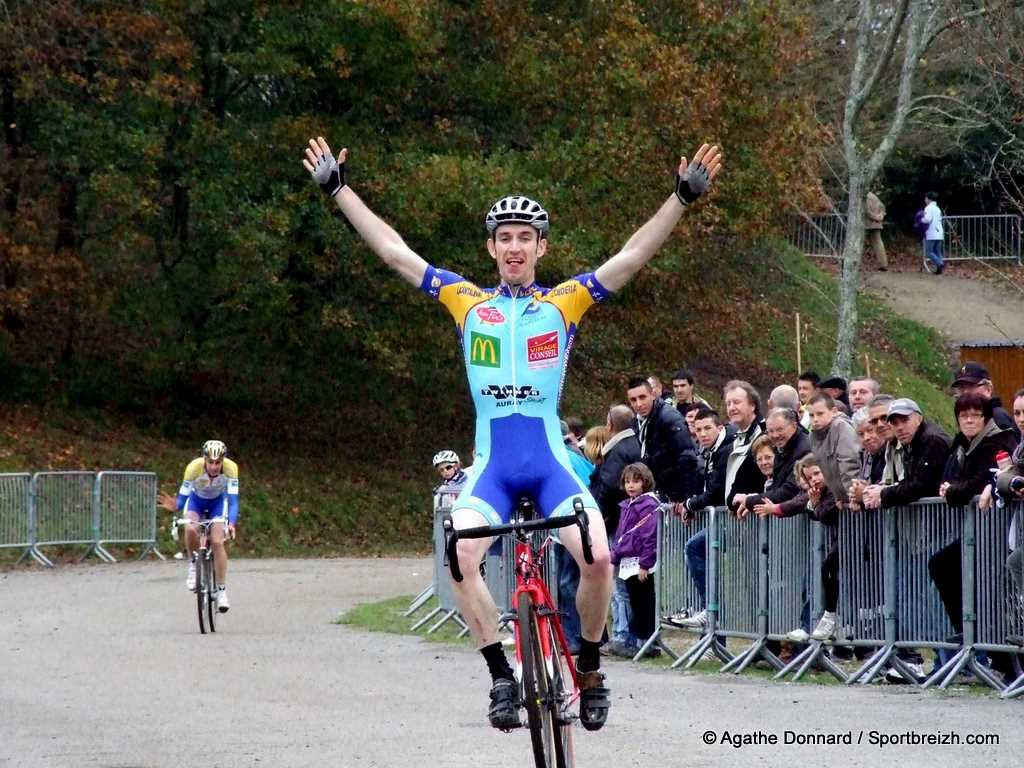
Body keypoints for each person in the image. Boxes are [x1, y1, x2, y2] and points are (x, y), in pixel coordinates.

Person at [303, 134, 722, 731]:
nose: (515, 246)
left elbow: (629, 258)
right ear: (492, 248)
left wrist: (680, 198)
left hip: (551, 465)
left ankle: (592, 665)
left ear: (541, 247)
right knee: (460, 555)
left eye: (526, 237)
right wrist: (340, 191)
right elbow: (396, 253)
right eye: (505, 237)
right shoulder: (466, 301)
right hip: (492, 469)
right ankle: (501, 676)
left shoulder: (566, 302)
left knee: (600, 559)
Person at [666, 406, 735, 628]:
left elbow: (715, 491)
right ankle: (712, 635)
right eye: (698, 430)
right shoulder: (708, 450)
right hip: (716, 518)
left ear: (719, 427)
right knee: (699, 553)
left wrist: (689, 504)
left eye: (707, 428)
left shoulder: (726, 449)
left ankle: (710, 612)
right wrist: (692, 506)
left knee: (693, 547)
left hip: (732, 520)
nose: (702, 434)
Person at [158, 439, 239, 613]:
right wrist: (175, 505)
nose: (214, 467)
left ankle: (221, 590)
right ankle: (194, 564)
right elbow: (183, 498)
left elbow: (233, 502)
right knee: (190, 528)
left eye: (218, 463)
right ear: (204, 460)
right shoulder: (193, 468)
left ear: (223, 461)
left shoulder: (231, 469)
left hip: (218, 504)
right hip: (196, 502)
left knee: (217, 542)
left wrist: (231, 523)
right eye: (210, 462)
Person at [609, 463, 661, 658]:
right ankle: (636, 640)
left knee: (643, 603)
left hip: (639, 563)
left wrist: (645, 564)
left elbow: (649, 535)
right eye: (627, 481)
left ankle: (646, 642)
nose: (630, 485)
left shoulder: (647, 505)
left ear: (645, 482)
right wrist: (615, 557)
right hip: (626, 561)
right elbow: (622, 535)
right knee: (633, 601)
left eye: (636, 481)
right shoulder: (628, 505)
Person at [627, 376, 701, 504]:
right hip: (658, 490)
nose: (639, 404)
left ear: (653, 395)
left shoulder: (669, 418)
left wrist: (684, 498)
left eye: (642, 397)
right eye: (633, 400)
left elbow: (686, 457)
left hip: (678, 494)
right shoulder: (637, 422)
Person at [951, 361, 1015, 430]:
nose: (966, 392)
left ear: (988, 389)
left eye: (971, 386)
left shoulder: (997, 419)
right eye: (961, 387)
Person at [922, 191, 945, 274]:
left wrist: (921, 220)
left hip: (931, 233)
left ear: (929, 199)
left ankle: (940, 264)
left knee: (929, 252)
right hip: (939, 233)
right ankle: (940, 269)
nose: (925, 200)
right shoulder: (937, 208)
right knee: (937, 251)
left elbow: (927, 219)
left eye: (926, 198)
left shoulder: (928, 208)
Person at [865, 191, 888, 271]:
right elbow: (882, 207)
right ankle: (883, 264)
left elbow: (866, 211)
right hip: (877, 224)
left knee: (859, 243)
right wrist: (881, 215)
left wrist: (875, 217)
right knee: (878, 243)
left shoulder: (864, 196)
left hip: (867, 224)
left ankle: (854, 263)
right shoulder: (873, 196)